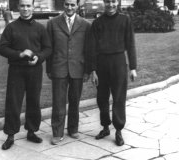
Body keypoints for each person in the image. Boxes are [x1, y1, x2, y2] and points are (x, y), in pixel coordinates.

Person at [0, 0, 51, 150]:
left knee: (34, 101)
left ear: (33, 8)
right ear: (18, 7)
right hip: (16, 70)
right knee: (13, 102)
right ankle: (10, 135)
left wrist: (38, 57)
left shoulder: (40, 28)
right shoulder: (11, 27)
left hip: (35, 70)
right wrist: (20, 54)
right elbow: (2, 49)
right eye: (22, 6)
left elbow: (48, 48)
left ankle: (31, 131)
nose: (25, 9)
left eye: (28, 6)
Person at [88, 0, 137, 146]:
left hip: (119, 63)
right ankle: (105, 127)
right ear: (104, 2)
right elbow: (91, 48)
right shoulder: (97, 22)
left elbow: (131, 44)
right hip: (101, 64)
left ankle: (118, 131)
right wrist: (93, 70)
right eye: (108, 1)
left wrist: (133, 68)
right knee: (102, 98)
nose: (111, 4)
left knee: (119, 98)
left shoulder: (125, 20)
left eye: (113, 1)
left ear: (118, 2)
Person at [46, 0, 90, 145]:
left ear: (77, 6)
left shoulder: (85, 24)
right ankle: (57, 133)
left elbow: (88, 50)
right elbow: (49, 48)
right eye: (67, 4)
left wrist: (87, 71)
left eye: (72, 4)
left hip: (78, 68)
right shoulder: (53, 23)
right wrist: (49, 69)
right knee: (58, 102)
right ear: (63, 5)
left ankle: (73, 129)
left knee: (75, 101)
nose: (69, 7)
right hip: (59, 68)